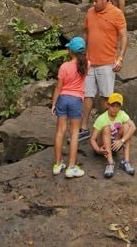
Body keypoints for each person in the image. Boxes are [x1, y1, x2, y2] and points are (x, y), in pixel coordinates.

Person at [78, 0, 128, 142]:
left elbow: (124, 36)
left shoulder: (116, 13)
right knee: (87, 95)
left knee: (106, 97)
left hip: (107, 62)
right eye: (92, 1)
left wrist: (120, 58)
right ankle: (84, 128)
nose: (94, 4)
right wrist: (82, 51)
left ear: (105, 0)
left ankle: (104, 129)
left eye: (96, 1)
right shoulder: (90, 12)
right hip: (90, 61)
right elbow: (86, 31)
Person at [51, 36, 89, 178]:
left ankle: (57, 164)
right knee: (74, 134)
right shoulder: (86, 64)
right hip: (76, 100)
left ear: (70, 51)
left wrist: (54, 103)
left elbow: (58, 87)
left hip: (63, 98)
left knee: (60, 131)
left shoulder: (64, 67)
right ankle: (71, 167)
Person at [89, 92, 136, 178]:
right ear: (108, 105)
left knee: (126, 127)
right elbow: (92, 139)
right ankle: (110, 163)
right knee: (106, 127)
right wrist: (98, 150)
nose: (114, 109)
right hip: (102, 146)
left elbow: (133, 127)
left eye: (117, 106)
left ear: (120, 107)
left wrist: (122, 141)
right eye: (112, 106)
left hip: (115, 145)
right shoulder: (102, 118)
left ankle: (126, 161)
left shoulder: (121, 114)